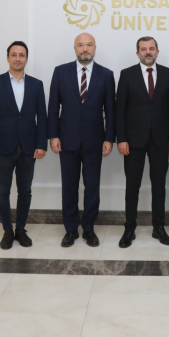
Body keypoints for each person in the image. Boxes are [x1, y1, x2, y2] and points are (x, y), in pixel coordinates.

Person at [48, 33, 115, 247]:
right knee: (69, 187)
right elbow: (53, 107)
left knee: (92, 188)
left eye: (89, 45)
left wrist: (109, 138)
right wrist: (53, 135)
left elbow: (110, 111)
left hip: (95, 141)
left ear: (95, 47)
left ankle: (88, 229)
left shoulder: (106, 75)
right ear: (75, 48)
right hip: (66, 140)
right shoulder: (60, 72)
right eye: (80, 45)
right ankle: (70, 229)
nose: (85, 49)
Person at [0, 41, 47, 250]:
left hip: (29, 148)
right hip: (2, 148)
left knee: (25, 191)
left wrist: (42, 144)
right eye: (14, 55)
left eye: (21, 55)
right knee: (2, 191)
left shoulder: (36, 85)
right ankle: (7, 231)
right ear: (8, 58)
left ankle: (20, 229)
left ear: (26, 58)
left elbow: (42, 117)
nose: (18, 59)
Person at [115, 36, 169, 248]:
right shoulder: (127, 74)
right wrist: (121, 138)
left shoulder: (168, 74)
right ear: (137, 53)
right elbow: (119, 110)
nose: (147, 52)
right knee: (132, 187)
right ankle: (129, 229)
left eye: (151, 48)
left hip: (161, 140)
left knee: (159, 186)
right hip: (133, 141)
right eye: (143, 49)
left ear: (157, 51)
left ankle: (159, 227)